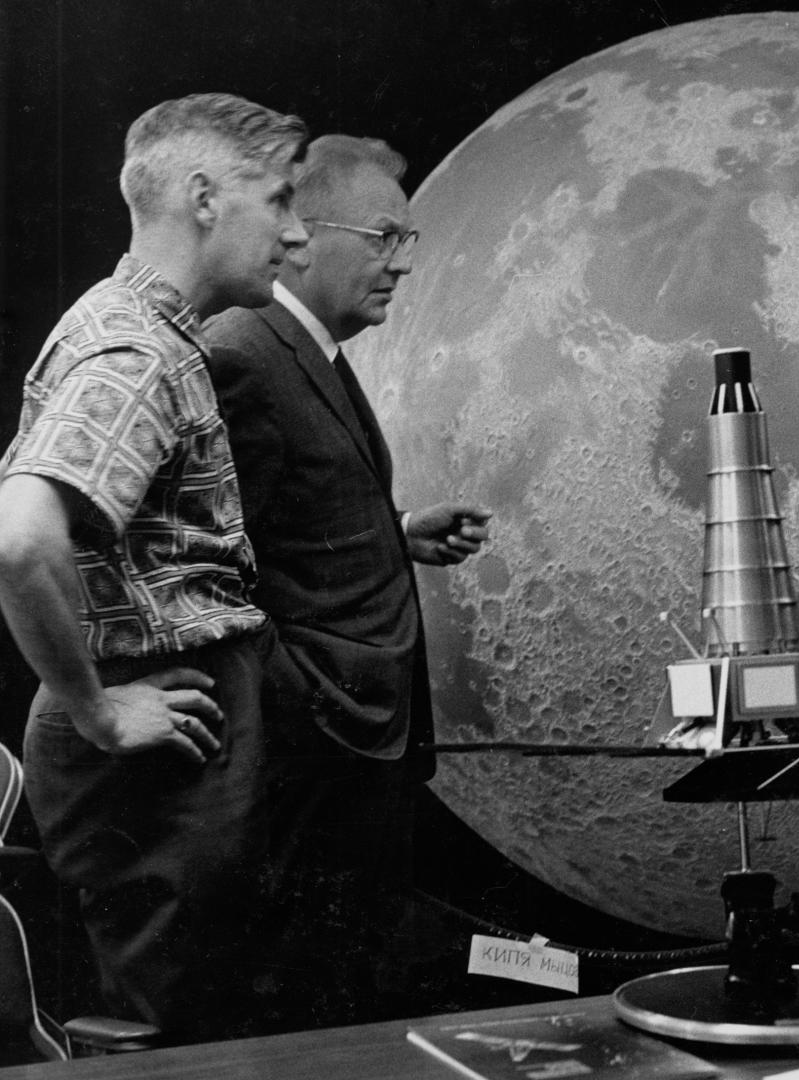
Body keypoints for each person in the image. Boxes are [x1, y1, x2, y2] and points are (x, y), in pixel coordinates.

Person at [0, 93, 308, 1041]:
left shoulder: (151, 333)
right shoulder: (133, 350)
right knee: (176, 1041)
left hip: (180, 730)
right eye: (281, 200)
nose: (296, 235)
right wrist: (96, 707)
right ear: (205, 196)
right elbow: (19, 540)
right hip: (154, 746)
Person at [202, 135, 491, 1030]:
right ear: (300, 235)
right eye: (383, 237)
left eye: (408, 240)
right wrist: (301, 698)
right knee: (308, 995)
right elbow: (217, 568)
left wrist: (397, 534)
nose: (403, 264)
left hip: (356, 744)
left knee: (353, 981)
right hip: (317, 745)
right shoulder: (246, 352)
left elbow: (291, 520)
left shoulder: (310, 350)